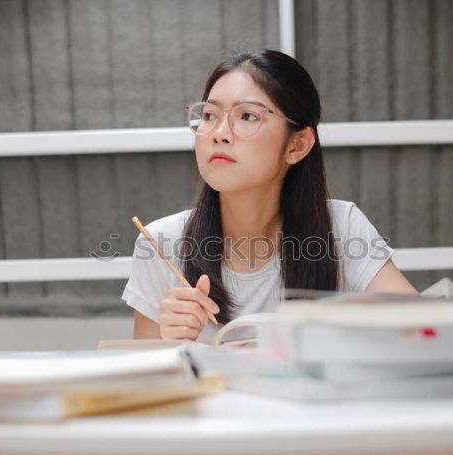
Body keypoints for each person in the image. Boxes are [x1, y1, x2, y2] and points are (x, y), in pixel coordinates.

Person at [121, 49, 417, 342]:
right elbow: (144, 379)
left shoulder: (341, 226)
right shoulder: (159, 241)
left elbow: (425, 330)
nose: (219, 133)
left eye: (247, 116)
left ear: (297, 145)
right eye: (209, 115)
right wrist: (168, 342)